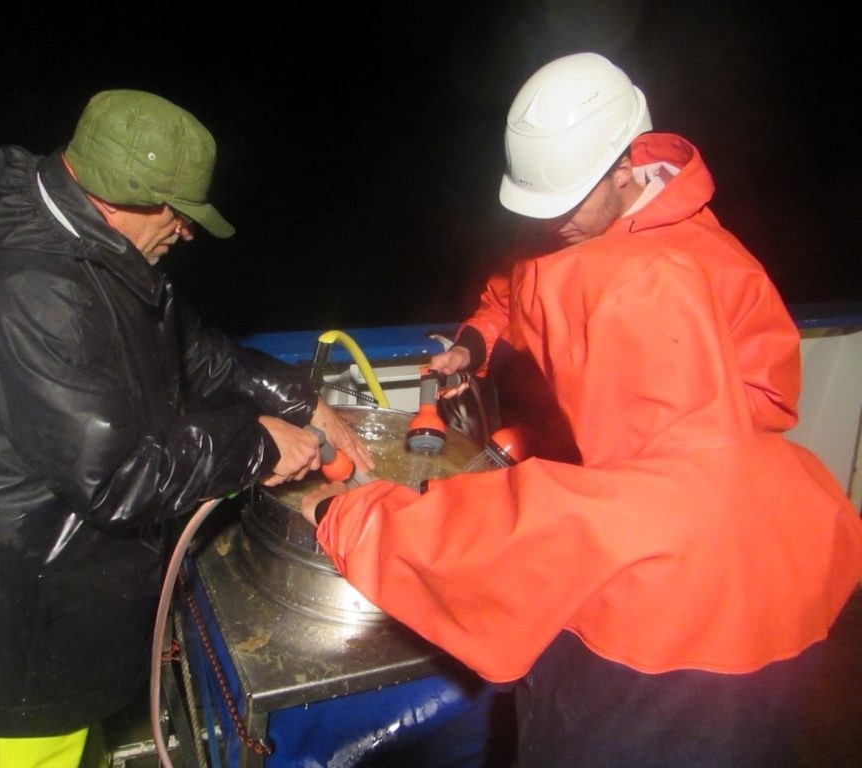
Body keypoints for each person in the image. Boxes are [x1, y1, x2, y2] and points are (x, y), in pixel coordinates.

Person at [300, 53, 862, 767]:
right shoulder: (825, 504)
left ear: (625, 166)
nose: (548, 225)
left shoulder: (720, 267)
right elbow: (511, 292)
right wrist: (475, 345)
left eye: (561, 204)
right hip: (686, 520)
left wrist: (338, 512)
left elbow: (758, 403)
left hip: (645, 524)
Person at [0, 89, 372, 767]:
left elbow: (198, 350)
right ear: (121, 197)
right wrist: (254, 444)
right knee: (38, 745)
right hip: (30, 629)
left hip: (71, 607)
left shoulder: (103, 259)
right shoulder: (30, 293)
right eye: (179, 214)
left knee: (79, 746)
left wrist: (304, 401)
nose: (186, 232)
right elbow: (119, 473)